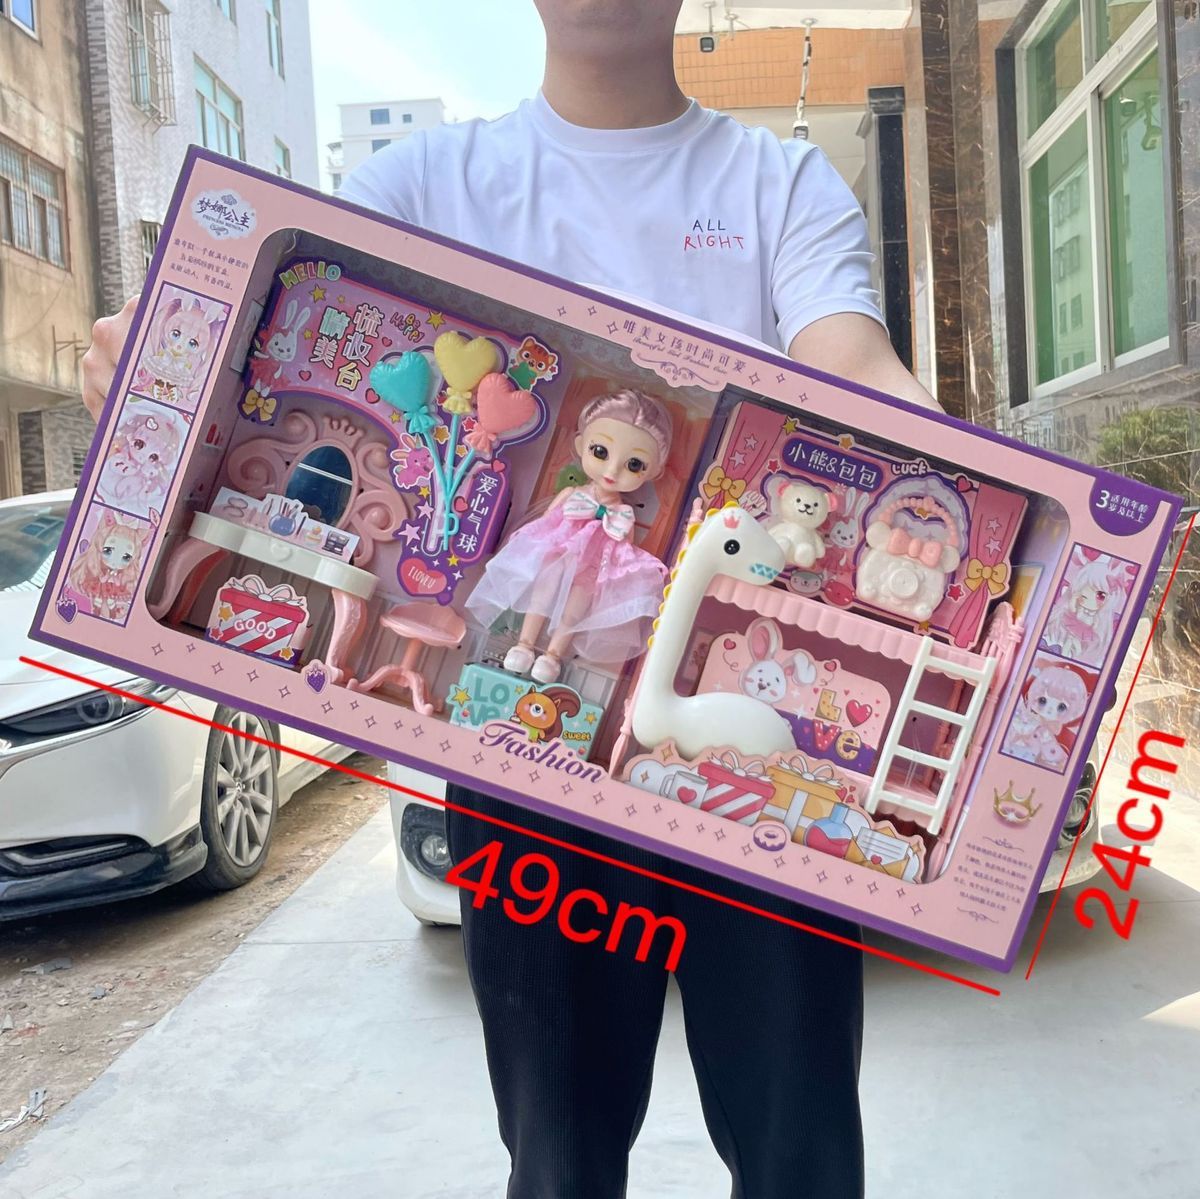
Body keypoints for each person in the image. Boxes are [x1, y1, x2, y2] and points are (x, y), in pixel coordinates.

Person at [84, 4, 939, 1195]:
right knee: (557, 1156)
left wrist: (978, 489)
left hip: (751, 774)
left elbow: (853, 364)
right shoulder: (420, 184)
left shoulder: (779, 184)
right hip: (523, 764)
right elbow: (287, 335)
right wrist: (164, 351)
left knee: (801, 1149)